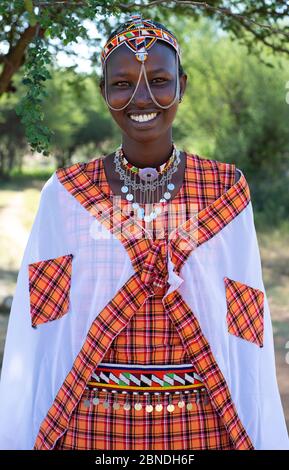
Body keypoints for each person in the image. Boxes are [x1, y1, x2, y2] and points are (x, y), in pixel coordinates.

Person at [0, 13, 288, 451]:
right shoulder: (66, 194)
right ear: (103, 92)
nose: (142, 96)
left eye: (158, 79)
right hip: (90, 431)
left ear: (182, 86)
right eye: (121, 83)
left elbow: (246, 327)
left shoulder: (226, 190)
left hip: (204, 428)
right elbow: (40, 326)